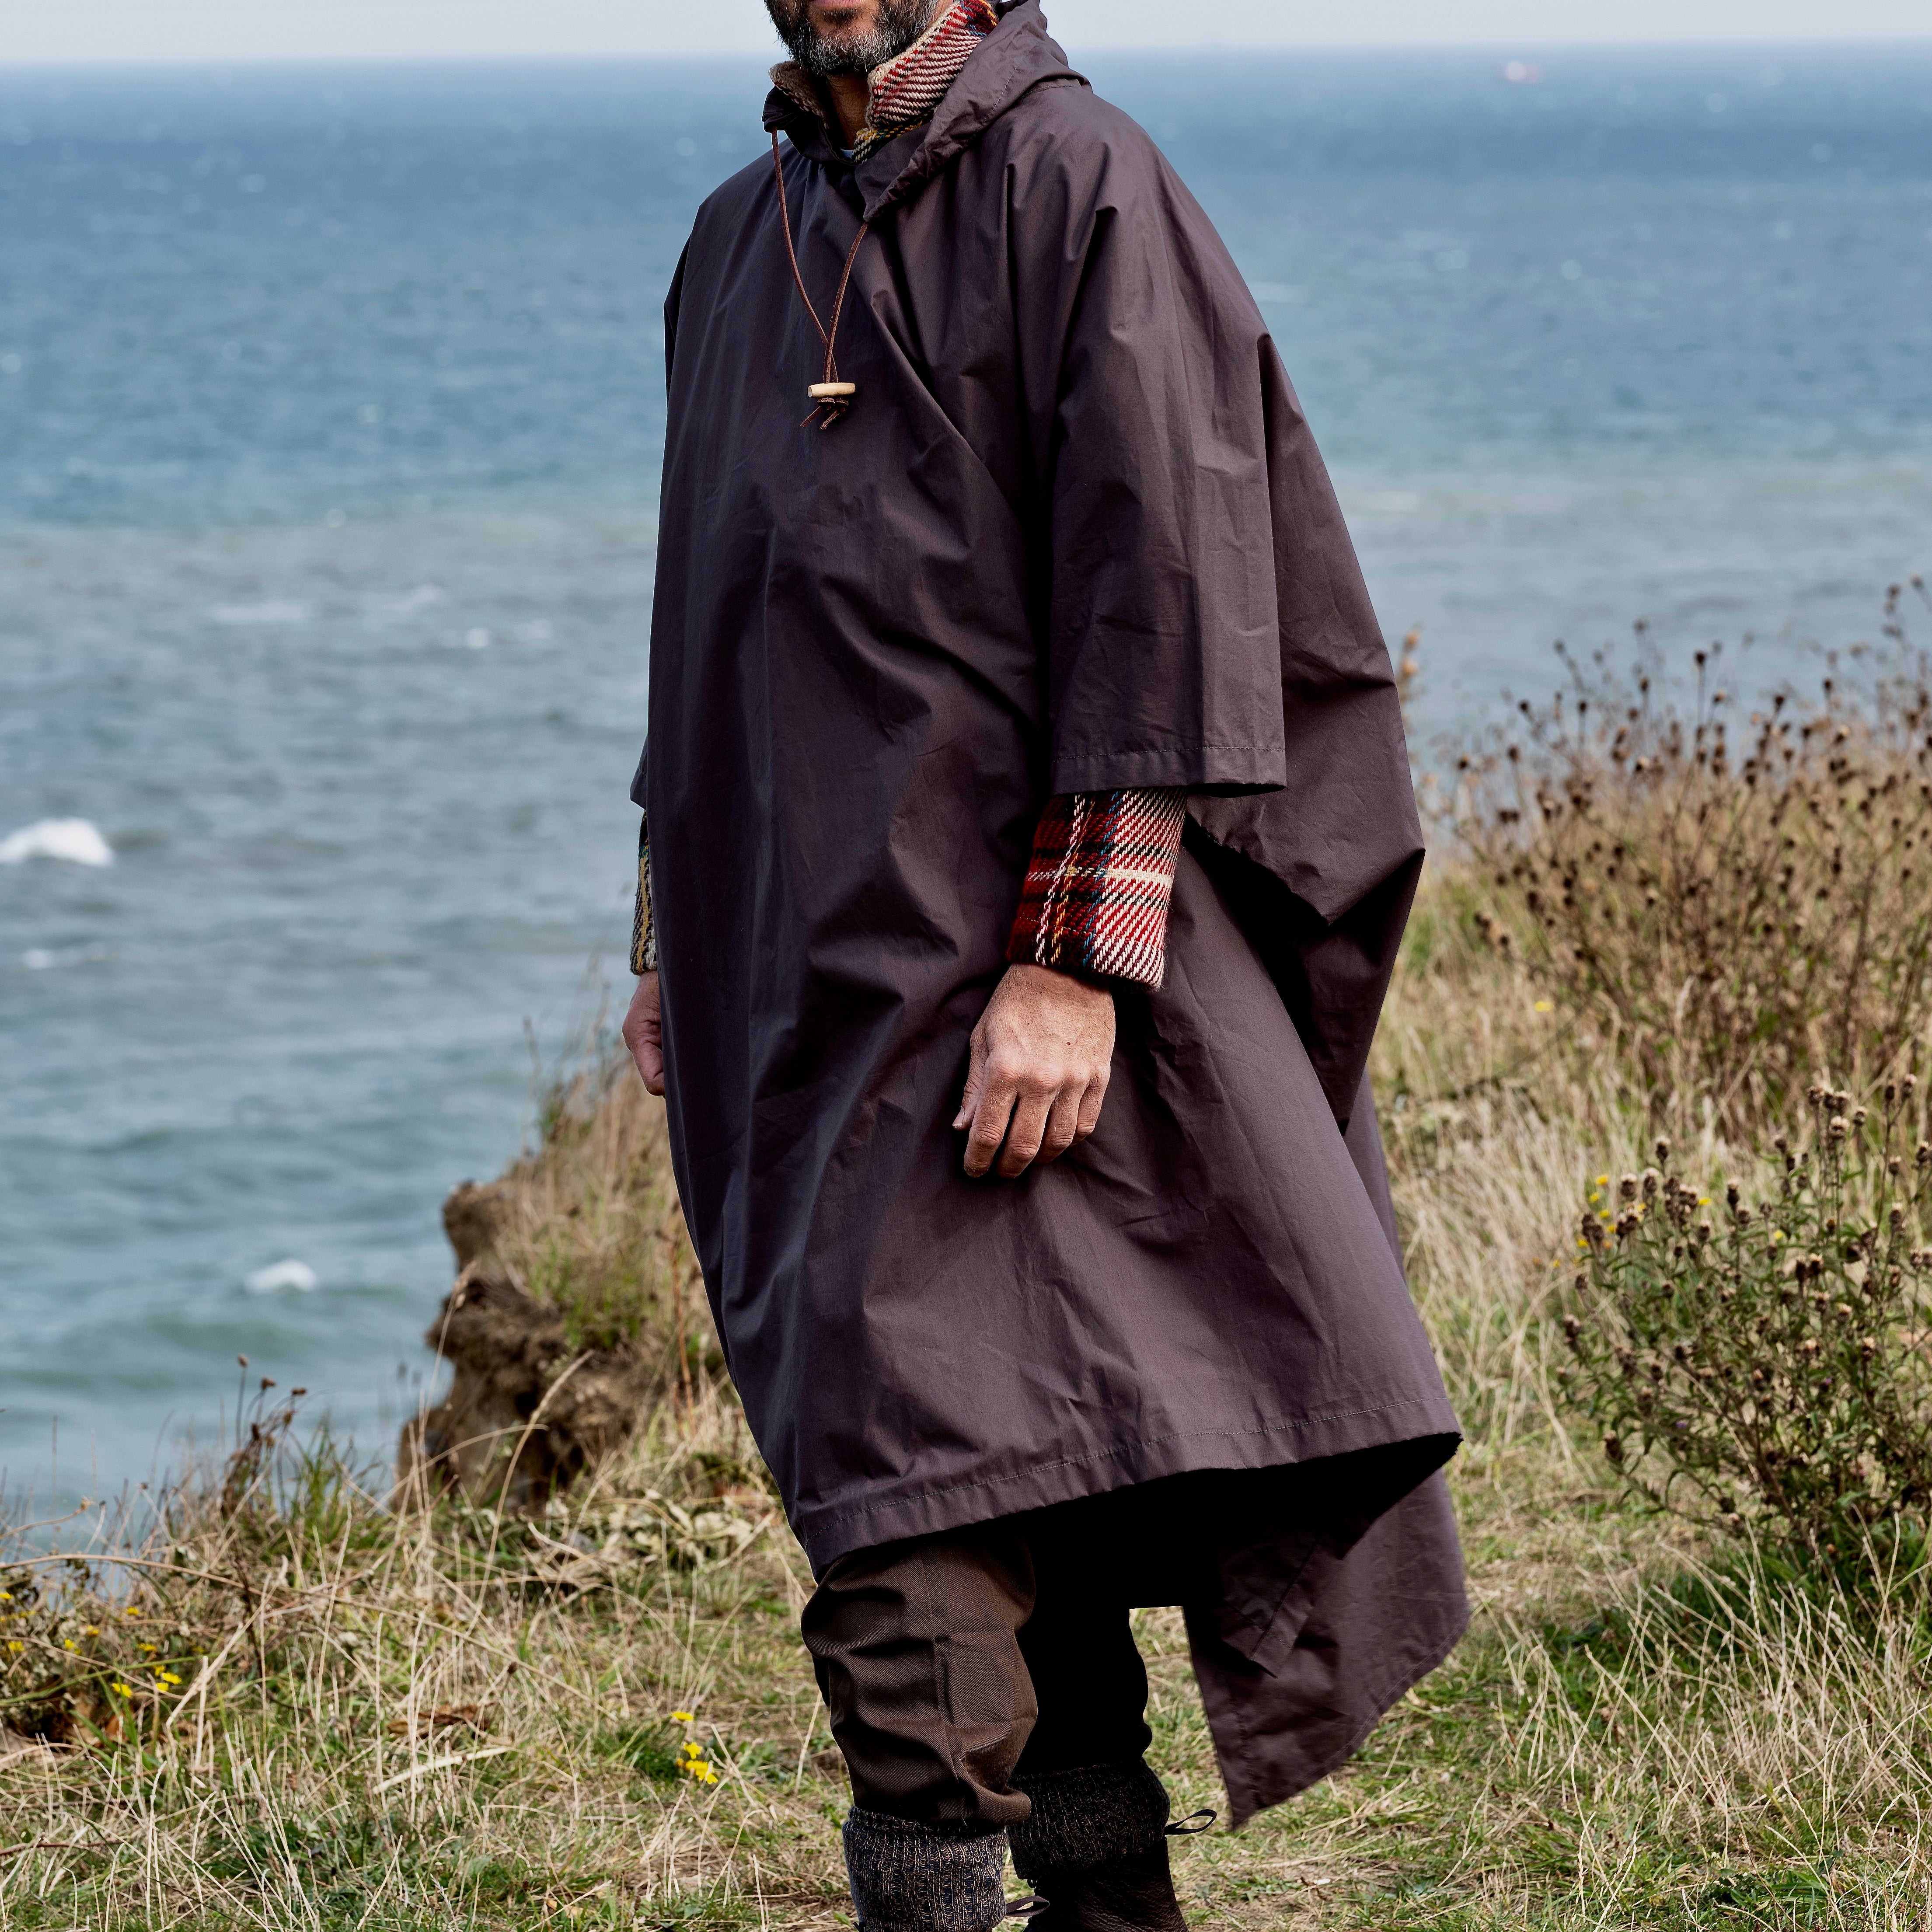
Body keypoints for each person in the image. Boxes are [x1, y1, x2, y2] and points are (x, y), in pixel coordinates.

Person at [622, 4, 1467, 1926]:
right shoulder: (732, 242)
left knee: (914, 1524)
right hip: (811, 985)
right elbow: (702, 619)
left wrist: (1077, 960)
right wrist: (673, 928)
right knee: (1027, 1487)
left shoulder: (1080, 181)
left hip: (1009, 980)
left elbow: (1166, 570)